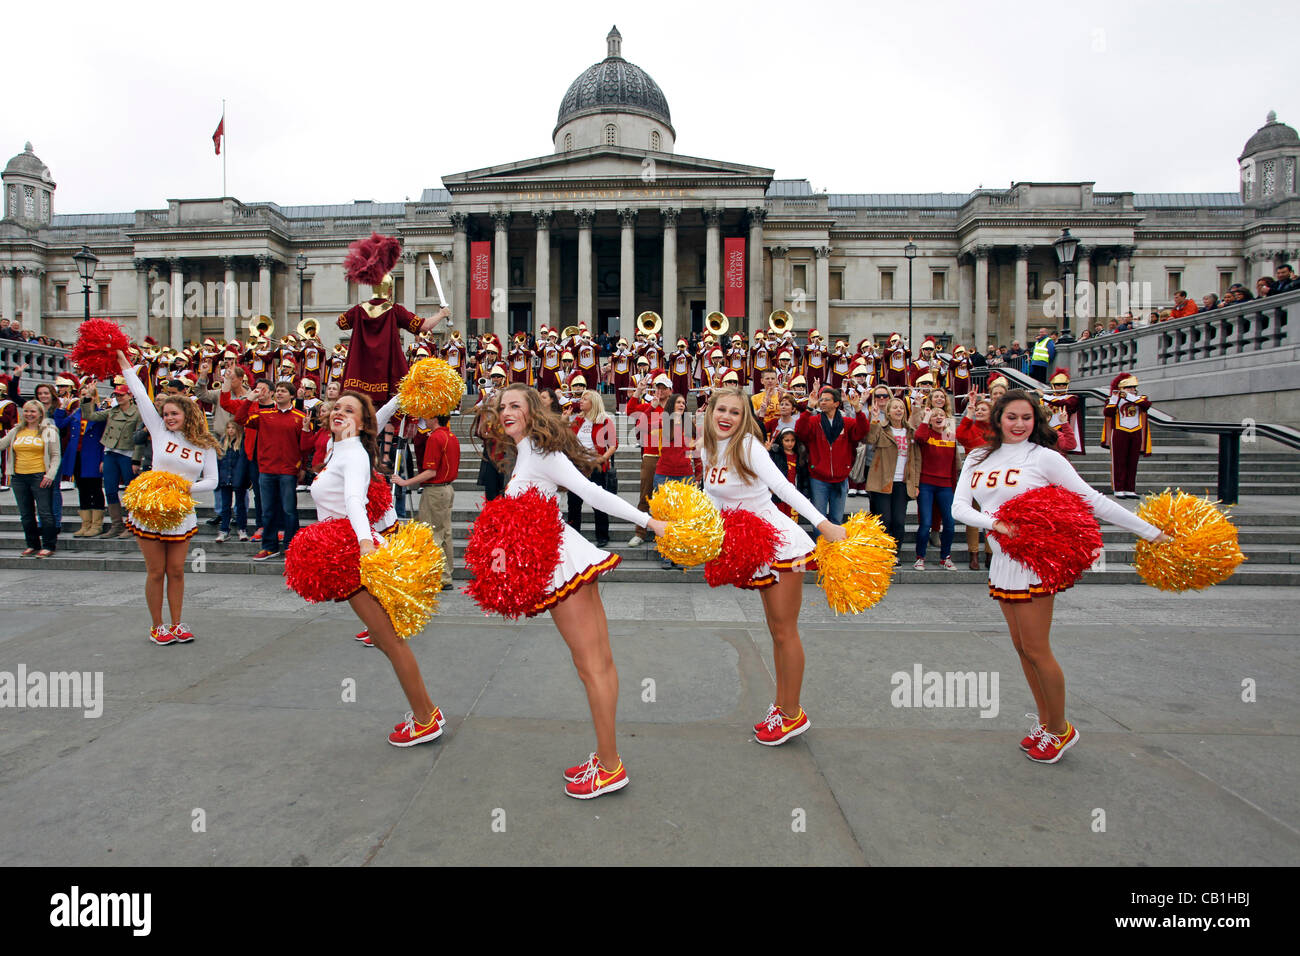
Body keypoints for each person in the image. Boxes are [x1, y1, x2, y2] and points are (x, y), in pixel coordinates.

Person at [952, 391, 1169, 763]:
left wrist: (1151, 532)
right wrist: (995, 524)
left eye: (1026, 418)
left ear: (1036, 420)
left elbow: (1092, 499)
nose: (1019, 424)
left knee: (1037, 648)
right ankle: (1045, 720)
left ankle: (1060, 729)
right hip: (1003, 559)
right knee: (1022, 648)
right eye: (1011, 417)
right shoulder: (977, 456)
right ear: (997, 419)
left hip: (1036, 561)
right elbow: (959, 507)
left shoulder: (1045, 458)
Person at [490, 384, 666, 797]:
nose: (506, 412)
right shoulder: (529, 451)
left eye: (515, 405)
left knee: (593, 665)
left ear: (534, 411)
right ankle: (606, 756)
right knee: (595, 662)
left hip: (563, 563)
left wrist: (651, 523)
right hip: (562, 557)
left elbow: (593, 494)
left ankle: (609, 766)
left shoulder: (542, 452)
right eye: (502, 407)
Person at [701, 386, 847, 745]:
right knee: (775, 630)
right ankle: (783, 707)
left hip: (779, 544)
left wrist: (822, 524)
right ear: (710, 412)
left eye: (736, 412)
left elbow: (785, 490)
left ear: (744, 418)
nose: (727, 417)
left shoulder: (748, 447)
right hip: (752, 545)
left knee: (785, 631)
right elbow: (710, 498)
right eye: (722, 410)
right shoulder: (709, 448)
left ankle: (793, 713)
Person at [311, 391, 448, 746]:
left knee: (390, 642)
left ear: (361, 422)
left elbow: (354, 500)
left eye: (349, 410)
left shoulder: (353, 453)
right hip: (346, 551)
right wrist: (406, 389)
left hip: (356, 556)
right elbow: (381, 413)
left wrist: (364, 543)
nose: (339, 412)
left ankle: (426, 718)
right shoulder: (335, 448)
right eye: (337, 407)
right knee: (388, 641)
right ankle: (426, 712)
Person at [112, 351, 219, 644]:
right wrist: (125, 365)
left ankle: (177, 623)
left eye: (174, 413)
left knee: (177, 571)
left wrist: (182, 488)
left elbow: (212, 481)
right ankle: (157, 625)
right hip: (150, 509)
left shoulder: (205, 445)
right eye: (166, 414)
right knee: (156, 571)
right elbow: (141, 397)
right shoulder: (158, 431)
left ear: (188, 414)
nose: (169, 418)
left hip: (181, 511)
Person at [243, 381, 311, 561]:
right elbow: (240, 419)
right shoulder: (263, 414)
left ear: (291, 396)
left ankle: (291, 546)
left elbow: (305, 447)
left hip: (288, 471)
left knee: (289, 510)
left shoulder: (299, 416)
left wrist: (302, 468)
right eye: (278, 391)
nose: (279, 393)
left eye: (283, 391)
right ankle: (269, 546)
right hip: (266, 470)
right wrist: (249, 399)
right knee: (267, 511)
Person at [394, 413, 460, 592]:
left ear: (435, 418)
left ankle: (437, 575)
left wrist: (405, 482)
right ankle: (446, 574)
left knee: (432, 534)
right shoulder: (451, 436)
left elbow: (430, 471)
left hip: (435, 490)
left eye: (428, 416)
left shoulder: (435, 438)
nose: (425, 419)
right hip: (447, 489)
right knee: (445, 533)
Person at [794, 386, 869, 526]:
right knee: (819, 519)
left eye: (827, 400)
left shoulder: (846, 423)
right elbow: (800, 431)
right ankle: (820, 547)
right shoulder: (814, 421)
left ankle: (834, 547)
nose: (822, 402)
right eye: (821, 400)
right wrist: (809, 408)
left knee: (836, 519)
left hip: (841, 477)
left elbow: (862, 431)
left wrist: (858, 410)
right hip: (818, 478)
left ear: (836, 403)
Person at [79, 377, 142, 538]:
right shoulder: (113, 410)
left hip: (126, 454)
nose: (119, 398)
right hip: (110, 453)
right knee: (110, 490)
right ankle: (116, 524)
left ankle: (132, 523)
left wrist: (136, 459)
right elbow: (90, 416)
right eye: (117, 395)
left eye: (122, 395)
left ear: (130, 396)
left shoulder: (137, 412)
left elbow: (139, 438)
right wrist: (88, 398)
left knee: (130, 491)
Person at [1, 400, 61, 556]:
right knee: (26, 514)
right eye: (26, 411)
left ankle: (49, 545)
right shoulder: (16, 431)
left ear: (40, 413)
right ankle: (32, 544)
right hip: (19, 477)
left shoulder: (49, 431)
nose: (29, 414)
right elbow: (2, 444)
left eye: (33, 411)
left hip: (39, 476)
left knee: (45, 512)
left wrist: (50, 475)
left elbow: (55, 456)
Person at [865, 397, 919, 565]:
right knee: (884, 519)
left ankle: (895, 553)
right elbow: (870, 440)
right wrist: (874, 419)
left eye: (901, 407)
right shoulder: (882, 429)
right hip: (882, 481)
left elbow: (916, 459)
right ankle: (882, 552)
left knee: (898, 520)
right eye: (895, 407)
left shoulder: (910, 431)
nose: (898, 410)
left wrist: (916, 483)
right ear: (888, 412)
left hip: (902, 482)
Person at [625, 373, 673, 547]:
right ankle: (640, 532)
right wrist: (638, 391)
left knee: (668, 498)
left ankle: (665, 533)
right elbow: (630, 413)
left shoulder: (676, 407)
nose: (659, 390)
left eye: (663, 387)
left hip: (670, 457)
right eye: (657, 387)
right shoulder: (649, 405)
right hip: (651, 455)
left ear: (670, 390)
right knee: (645, 495)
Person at [566, 388, 617, 550]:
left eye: (585, 399)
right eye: (581, 399)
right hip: (578, 466)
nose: (581, 401)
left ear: (593, 402)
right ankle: (574, 535)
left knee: (598, 502)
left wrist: (602, 458)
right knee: (573, 503)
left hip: (596, 466)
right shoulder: (577, 420)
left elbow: (613, 445)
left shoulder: (604, 420)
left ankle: (602, 536)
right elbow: (568, 439)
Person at [911, 404, 960, 570]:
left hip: (945, 485)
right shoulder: (926, 433)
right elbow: (919, 438)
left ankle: (945, 557)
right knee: (925, 523)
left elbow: (953, 462)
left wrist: (955, 486)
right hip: (926, 484)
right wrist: (925, 418)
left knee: (950, 523)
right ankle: (920, 557)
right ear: (930, 421)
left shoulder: (949, 435)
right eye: (934, 415)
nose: (939, 417)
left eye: (941, 414)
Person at [66, 383, 107, 538]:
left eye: (88, 394)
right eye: (82, 394)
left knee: (94, 488)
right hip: (77, 455)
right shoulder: (76, 413)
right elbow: (60, 424)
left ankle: (97, 524)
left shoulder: (100, 413)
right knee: (82, 489)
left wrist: (103, 459)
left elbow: (104, 438)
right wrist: (61, 409)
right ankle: (86, 524)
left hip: (93, 455)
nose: (84, 397)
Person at [1100, 373, 1152, 498]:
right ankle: (1119, 488)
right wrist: (1115, 398)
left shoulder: (1140, 399)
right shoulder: (1114, 400)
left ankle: (1130, 488)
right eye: (1129, 387)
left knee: (1133, 461)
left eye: (1134, 387)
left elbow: (1146, 406)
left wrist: (1129, 396)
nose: (1133, 390)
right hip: (1120, 431)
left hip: (1136, 431)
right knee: (1119, 461)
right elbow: (1108, 412)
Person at [214, 420, 250, 543]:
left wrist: (244, 478)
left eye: (233, 428)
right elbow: (219, 462)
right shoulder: (223, 443)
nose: (230, 430)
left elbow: (244, 462)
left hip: (238, 478)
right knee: (225, 506)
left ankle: (242, 528)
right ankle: (224, 529)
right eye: (228, 428)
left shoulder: (242, 443)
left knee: (240, 505)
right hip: (225, 478)